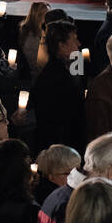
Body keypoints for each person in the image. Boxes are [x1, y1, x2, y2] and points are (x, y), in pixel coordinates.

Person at [30, 20, 85, 153]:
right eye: (74, 40)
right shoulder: (55, 77)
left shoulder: (65, 67)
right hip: (60, 149)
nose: (79, 44)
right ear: (62, 46)